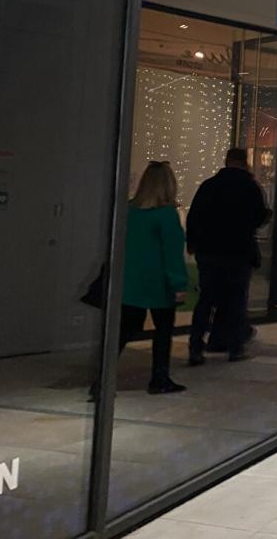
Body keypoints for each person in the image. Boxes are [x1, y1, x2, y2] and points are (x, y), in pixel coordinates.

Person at [103, 161, 189, 397]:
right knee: (163, 332)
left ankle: (102, 380)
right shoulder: (166, 215)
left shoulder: (129, 211)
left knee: (123, 331)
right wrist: (179, 284)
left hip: (131, 281)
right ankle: (159, 378)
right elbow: (172, 254)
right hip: (158, 283)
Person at [186, 148, 272, 365]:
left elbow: (194, 217)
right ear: (244, 162)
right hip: (238, 252)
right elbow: (258, 216)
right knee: (236, 300)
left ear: (226, 161)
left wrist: (193, 243)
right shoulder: (250, 187)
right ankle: (235, 347)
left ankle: (196, 346)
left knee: (206, 300)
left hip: (209, 251)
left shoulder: (209, 185)